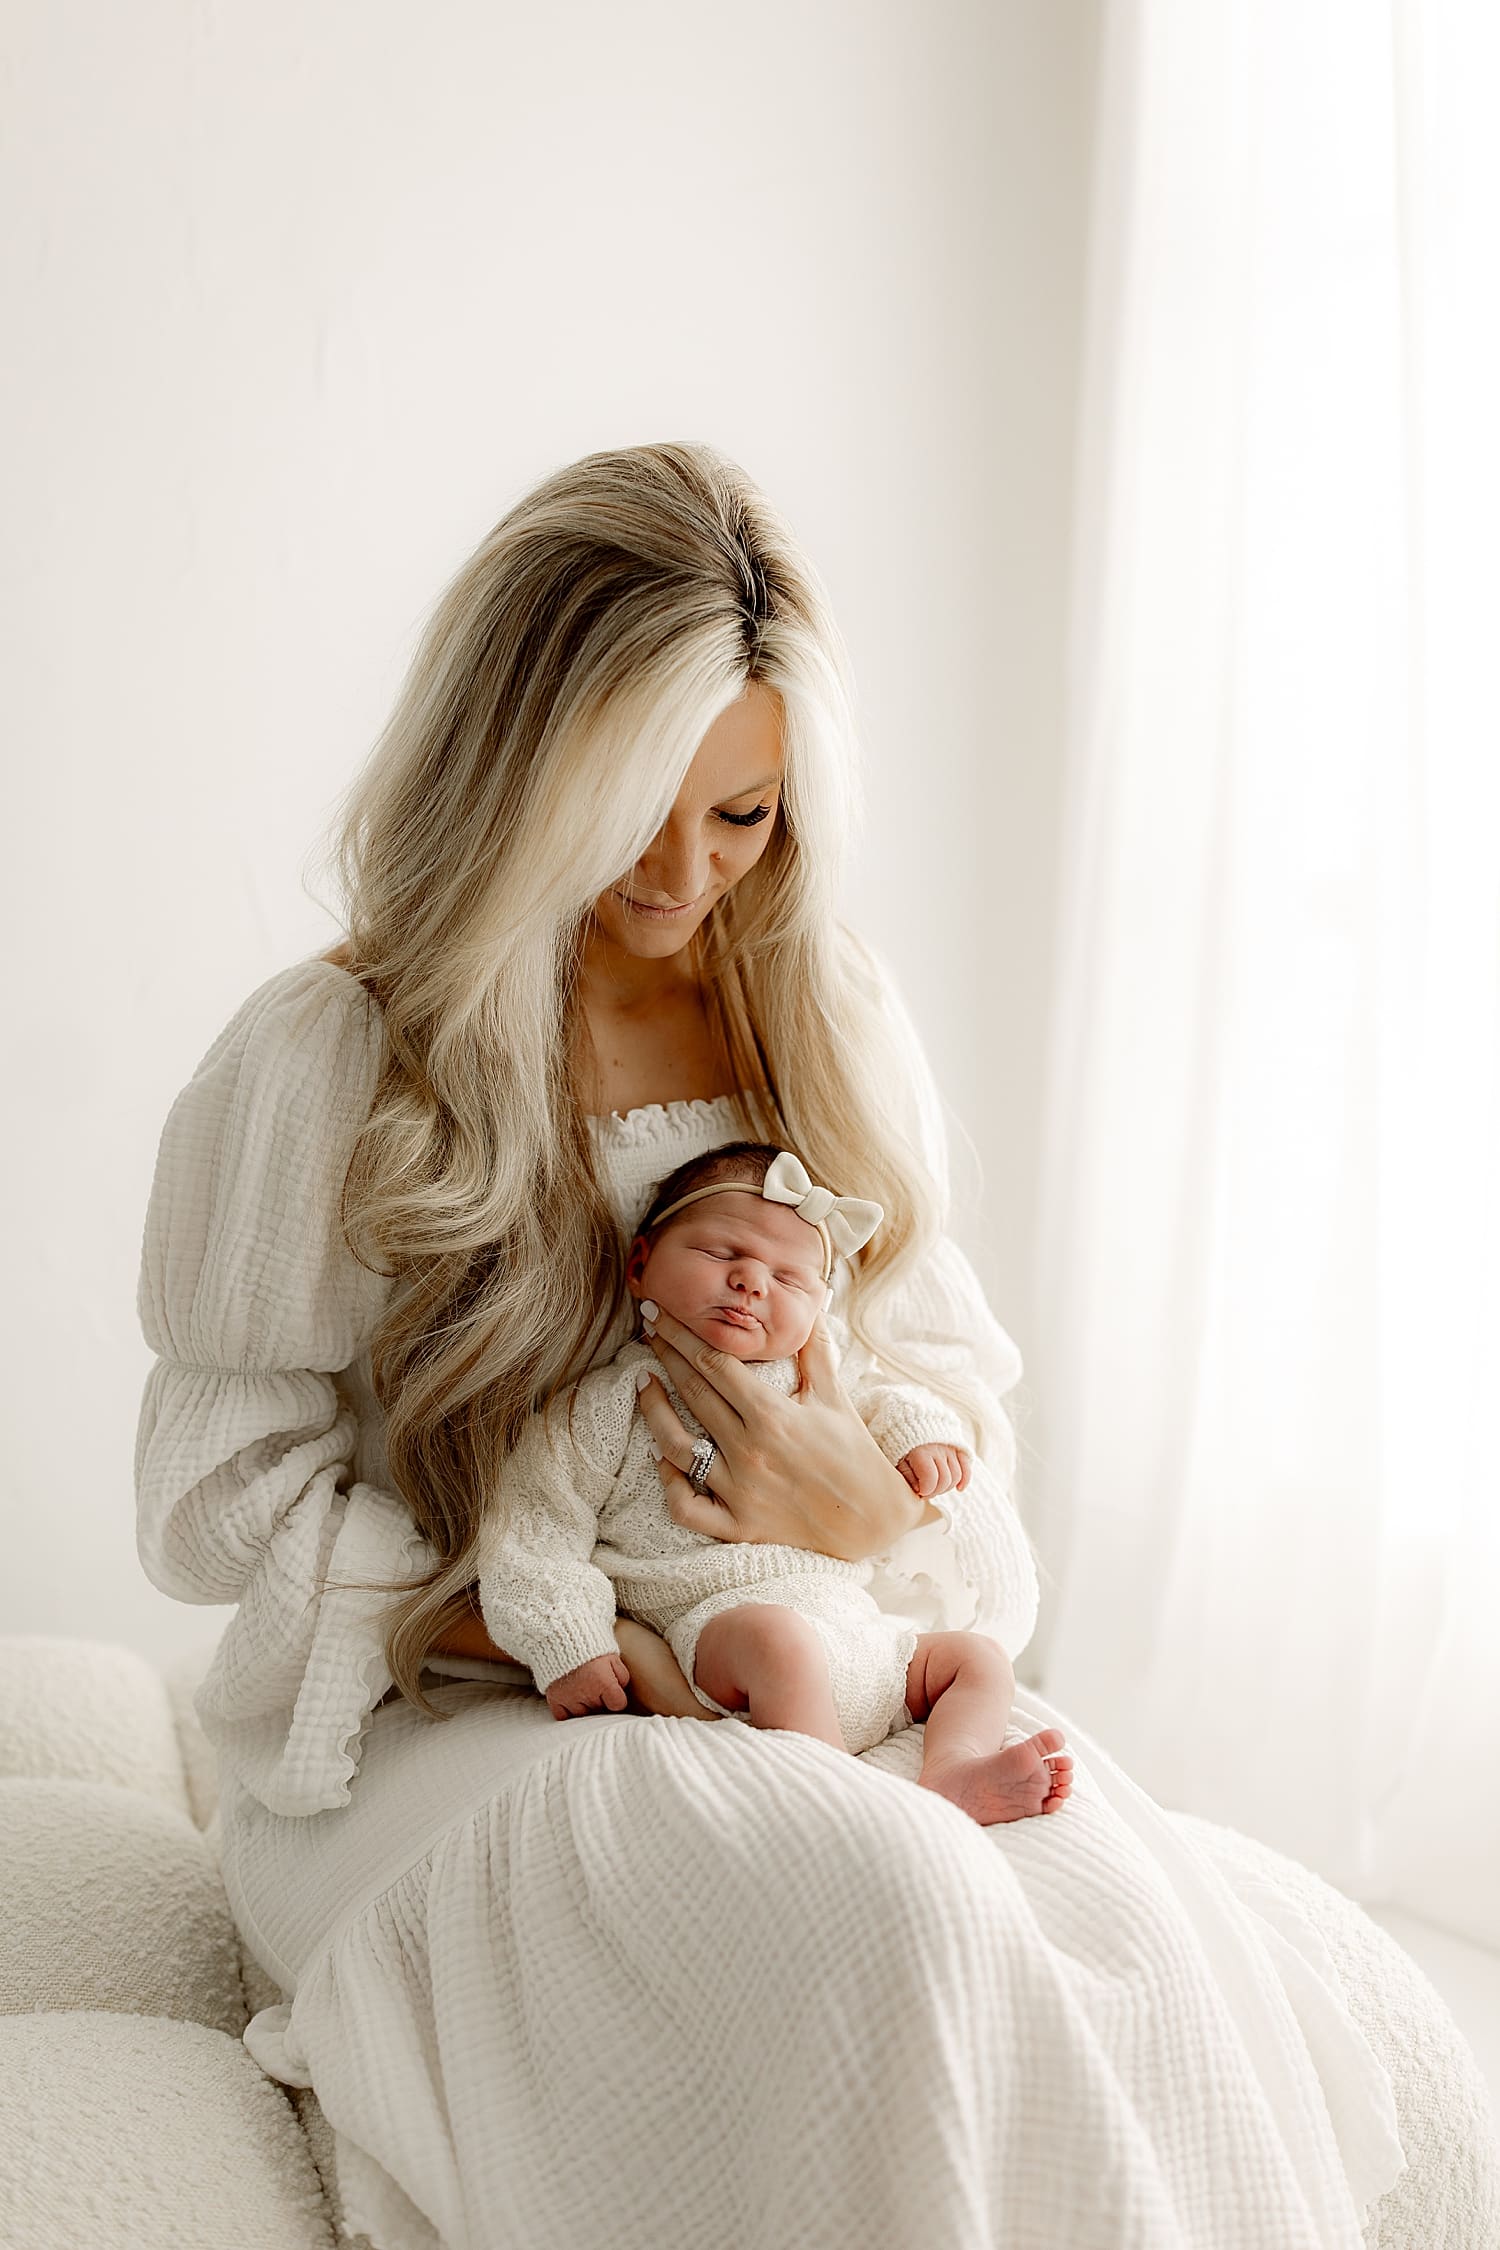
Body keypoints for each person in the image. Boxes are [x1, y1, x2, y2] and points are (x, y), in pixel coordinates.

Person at [135, 442, 1405, 2248]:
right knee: (876, 1907)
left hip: (793, 1647)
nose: (684, 871)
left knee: (1104, 1923)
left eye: (743, 816)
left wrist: (862, 1511)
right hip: (457, 1721)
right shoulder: (330, 1055)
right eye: (639, 803)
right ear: (517, 764)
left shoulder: (821, 1011)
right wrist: (551, 1608)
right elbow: (210, 1503)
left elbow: (948, 1411)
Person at [478, 1134, 1075, 1823]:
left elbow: (886, 1400)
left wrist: (924, 1438)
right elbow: (530, 1530)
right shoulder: (608, 1405)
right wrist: (569, 1643)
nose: (752, 1282)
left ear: (820, 1306)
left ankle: (953, 1771)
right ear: (640, 1264)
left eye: (789, 1280)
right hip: (724, 1641)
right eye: (721, 1253)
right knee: (779, 1640)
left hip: (860, 1641)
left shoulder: (822, 1377)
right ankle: (836, 1808)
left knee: (976, 1658)